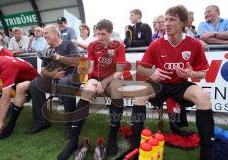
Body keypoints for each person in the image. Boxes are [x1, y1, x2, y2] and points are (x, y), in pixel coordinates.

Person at [137, 5, 214, 160]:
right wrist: (152, 72)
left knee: (204, 96)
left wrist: (191, 73)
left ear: (183, 23)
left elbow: (203, 73)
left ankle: (206, 153)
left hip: (180, 85)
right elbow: (140, 69)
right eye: (165, 19)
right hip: (160, 85)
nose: (167, 23)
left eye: (172, 19)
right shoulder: (156, 44)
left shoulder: (193, 44)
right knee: (140, 94)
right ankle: (135, 146)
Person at [57, 19, 126, 160]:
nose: (100, 37)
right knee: (87, 91)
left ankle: (112, 137)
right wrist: (83, 69)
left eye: (103, 34)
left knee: (117, 90)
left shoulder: (119, 45)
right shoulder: (93, 45)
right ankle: (73, 141)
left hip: (113, 78)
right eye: (97, 34)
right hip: (96, 78)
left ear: (111, 33)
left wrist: (106, 82)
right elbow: (91, 68)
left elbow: (119, 71)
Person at [27, 24, 80, 135]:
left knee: (64, 82)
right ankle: (41, 122)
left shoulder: (68, 44)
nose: (44, 35)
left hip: (71, 77)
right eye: (43, 33)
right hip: (54, 79)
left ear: (55, 33)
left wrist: (57, 57)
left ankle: (71, 124)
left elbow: (76, 61)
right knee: (34, 84)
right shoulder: (47, 50)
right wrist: (53, 75)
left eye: (46, 33)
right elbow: (43, 70)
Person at [0, 56, 38, 140]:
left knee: (20, 87)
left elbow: (5, 97)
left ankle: (11, 124)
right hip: (18, 80)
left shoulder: (6, 64)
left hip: (34, 81)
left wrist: (1, 121)